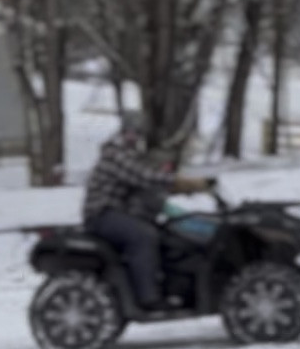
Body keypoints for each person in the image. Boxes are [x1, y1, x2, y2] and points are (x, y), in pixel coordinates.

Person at [83, 114, 214, 311]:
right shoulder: (116, 154)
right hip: (103, 214)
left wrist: (179, 190)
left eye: (137, 133)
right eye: (131, 132)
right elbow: (143, 176)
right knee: (143, 236)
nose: (134, 137)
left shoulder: (129, 153)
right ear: (123, 132)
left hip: (117, 212)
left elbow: (146, 182)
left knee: (167, 234)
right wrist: (184, 183)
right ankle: (148, 297)